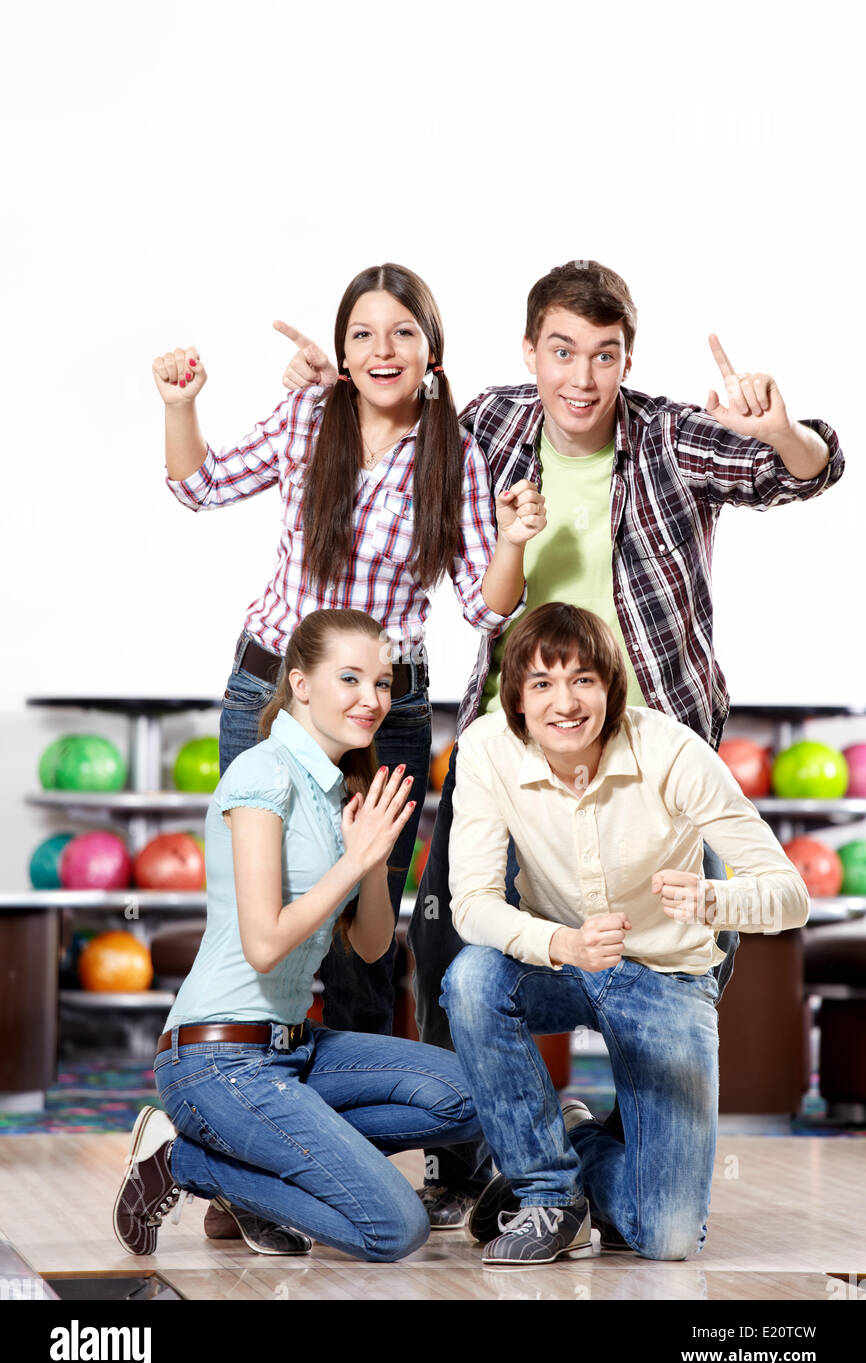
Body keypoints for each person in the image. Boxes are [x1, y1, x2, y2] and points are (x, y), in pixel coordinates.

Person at [280, 258, 844, 1225]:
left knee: (683, 958)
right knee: (449, 939)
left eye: (605, 356)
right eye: (562, 352)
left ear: (628, 360)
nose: (582, 378)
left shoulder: (665, 437)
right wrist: (328, 387)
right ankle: (478, 1157)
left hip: (651, 746)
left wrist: (780, 428)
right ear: (531, 353)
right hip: (513, 746)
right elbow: (395, 405)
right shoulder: (492, 424)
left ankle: (625, 1140)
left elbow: (802, 471)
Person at [154, 261, 544, 1045]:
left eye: (402, 332)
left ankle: (353, 1129)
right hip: (270, 697)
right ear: (342, 350)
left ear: (432, 351)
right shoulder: (308, 417)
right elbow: (201, 484)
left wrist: (512, 542)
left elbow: (485, 607)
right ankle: (233, 1095)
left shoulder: (454, 456)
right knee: (257, 909)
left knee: (364, 937)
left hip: (381, 712)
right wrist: (182, 405)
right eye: (362, 334)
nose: (382, 348)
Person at [439, 603, 810, 1265]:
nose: (565, 702)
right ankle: (547, 1192)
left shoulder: (671, 749)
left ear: (610, 688)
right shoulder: (487, 750)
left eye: (583, 680)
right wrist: (561, 944)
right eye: (543, 684)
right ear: (517, 699)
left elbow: (791, 894)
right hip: (560, 962)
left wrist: (713, 899)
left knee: (667, 1239)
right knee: (470, 978)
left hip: (666, 977)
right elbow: (471, 904)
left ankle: (571, 1139)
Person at [113, 608, 483, 1263]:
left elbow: (370, 948)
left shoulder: (338, 787)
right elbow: (264, 943)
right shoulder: (264, 774)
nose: (371, 700)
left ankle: (252, 1161)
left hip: (296, 1051)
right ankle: (187, 1161)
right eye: (350, 679)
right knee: (395, 1228)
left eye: (382, 683)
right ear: (301, 684)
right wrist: (351, 858)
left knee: (472, 1094)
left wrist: (370, 863)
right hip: (215, 1060)